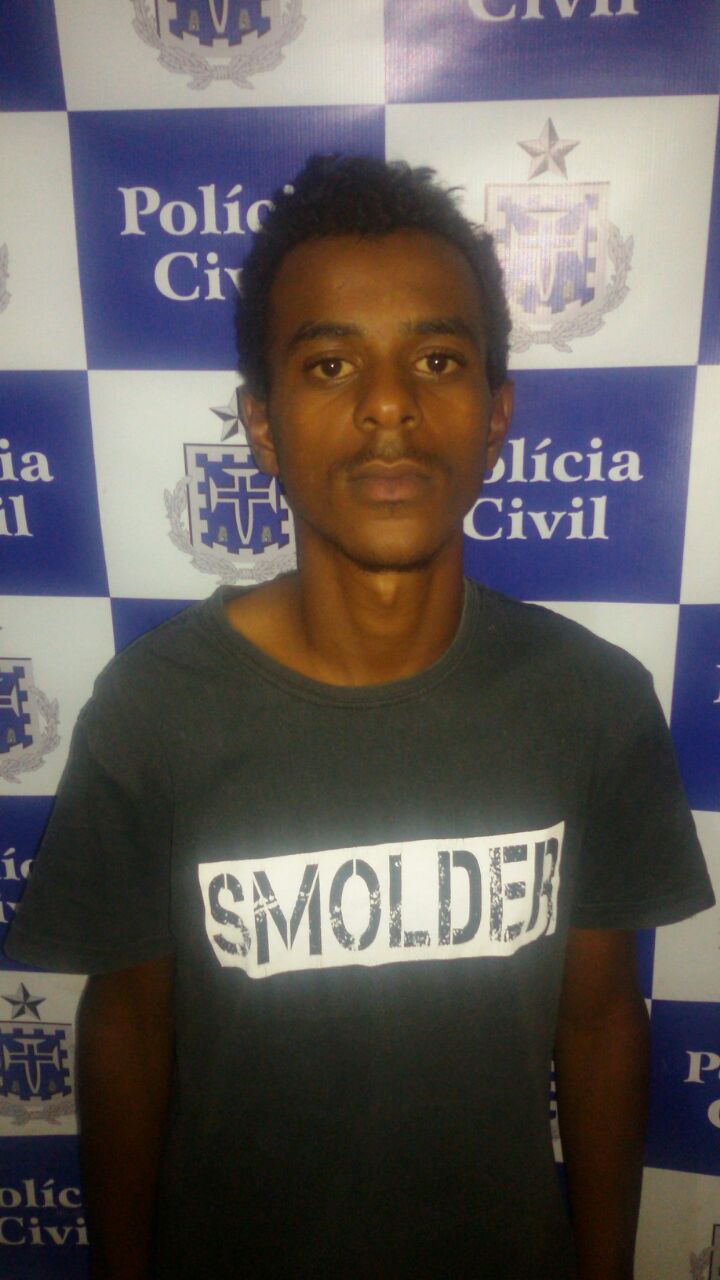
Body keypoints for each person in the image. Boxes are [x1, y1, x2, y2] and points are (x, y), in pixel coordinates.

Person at [6, 155, 714, 1280]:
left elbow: (599, 1022)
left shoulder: (590, 700)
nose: (389, 405)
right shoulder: (156, 709)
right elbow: (129, 1025)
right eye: (330, 364)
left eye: (437, 359)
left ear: (496, 416)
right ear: (263, 426)